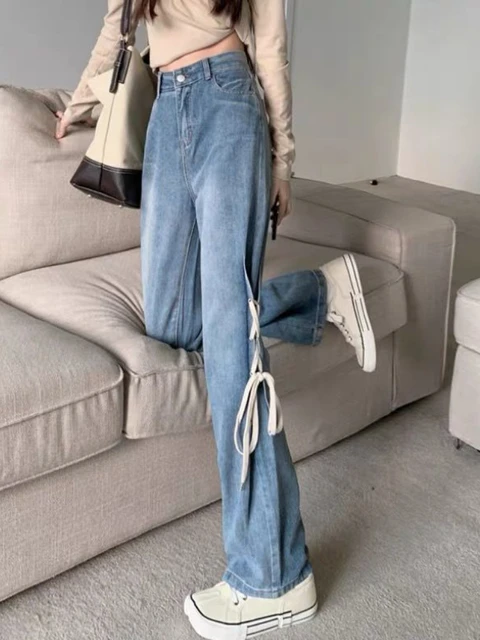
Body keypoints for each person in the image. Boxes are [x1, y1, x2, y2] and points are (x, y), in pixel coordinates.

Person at [54, 0, 376, 637]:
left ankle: (274, 575)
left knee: (231, 342)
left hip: (229, 103)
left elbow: (271, 46)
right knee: (175, 326)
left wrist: (282, 161)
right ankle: (318, 293)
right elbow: (117, 24)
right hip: (164, 109)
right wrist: (80, 104)